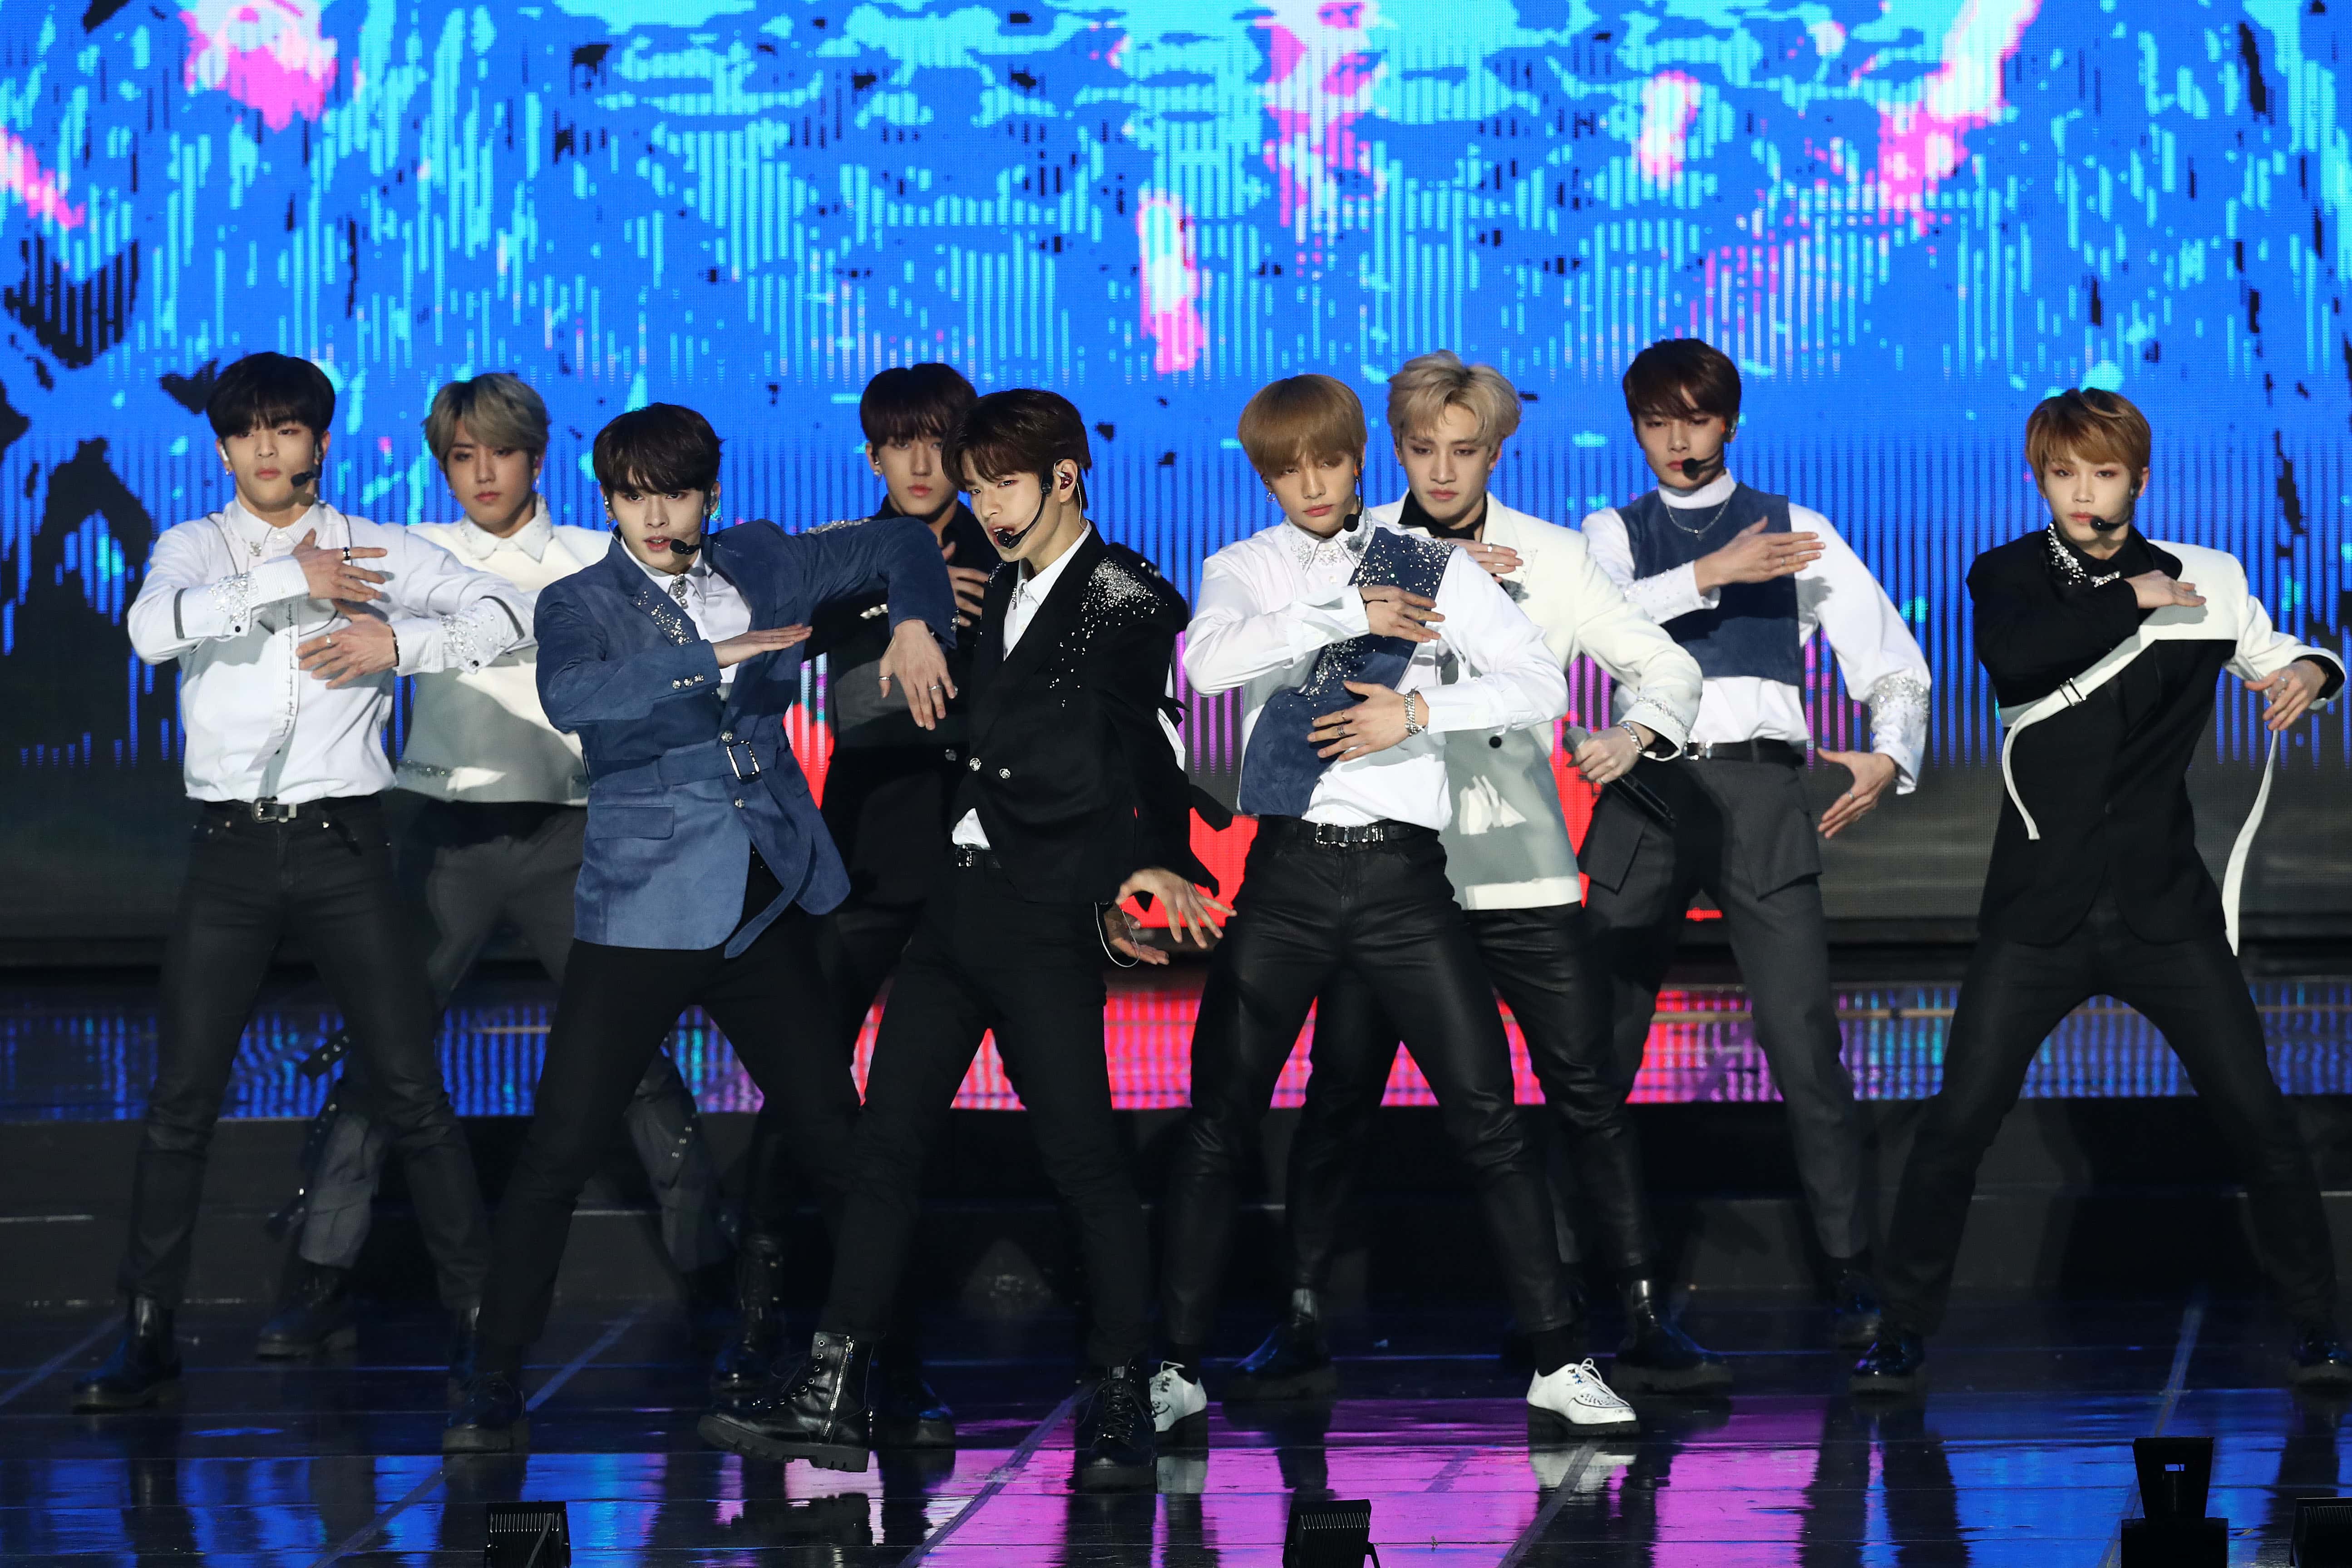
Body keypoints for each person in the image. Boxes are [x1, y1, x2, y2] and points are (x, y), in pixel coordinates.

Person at [698, 389, 1224, 1491]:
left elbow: (1142, 739)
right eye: (976, 486)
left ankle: (1120, 1388)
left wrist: (1152, 856)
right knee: (884, 1149)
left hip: (1039, 916)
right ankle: (836, 1386)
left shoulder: (1121, 594)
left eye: (1002, 484)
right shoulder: (980, 584)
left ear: (1065, 477)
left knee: (1083, 1158)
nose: (983, 505)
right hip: (952, 905)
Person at [440, 403, 957, 1453]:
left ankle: (888, 1368)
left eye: (674, 494)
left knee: (837, 1140)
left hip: (763, 896)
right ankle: (492, 1373)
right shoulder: (581, 599)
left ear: (708, 493)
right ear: (608, 501)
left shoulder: (762, 557)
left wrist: (916, 622)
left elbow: (902, 541)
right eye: (634, 497)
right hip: (642, 907)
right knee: (560, 1146)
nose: (656, 515)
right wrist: (711, 654)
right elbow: (573, 692)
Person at [1150, 372, 1640, 1448]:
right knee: (1219, 1117)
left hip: (1403, 882)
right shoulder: (1244, 567)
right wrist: (1346, 614)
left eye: (1329, 462)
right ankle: (1172, 1366)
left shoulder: (1423, 561)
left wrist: (1417, 708)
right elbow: (1208, 661)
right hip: (1284, 876)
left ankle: (1558, 1358)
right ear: (1264, 476)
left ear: (1358, 458)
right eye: (1288, 470)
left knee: (1488, 1115)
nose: (1312, 485)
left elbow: (1539, 682)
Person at [1228, 351, 1714, 1402]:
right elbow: (1250, 658)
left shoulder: (1553, 556)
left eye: (1463, 450)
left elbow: (1666, 666)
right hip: (1384, 871)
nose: (1441, 471)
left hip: (1517, 867)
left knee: (1584, 1089)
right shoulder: (1348, 546)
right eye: (1420, 449)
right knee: (1339, 1090)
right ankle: (1300, 1312)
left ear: (1497, 451)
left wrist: (1634, 734)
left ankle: (1637, 1310)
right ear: (1393, 450)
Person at [1854, 389, 2352, 1393]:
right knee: (1957, 1123)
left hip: (2162, 905)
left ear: (2139, 479)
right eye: (2063, 474)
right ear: (2039, 479)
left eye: (2104, 473)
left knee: (2258, 1116)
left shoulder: (2209, 577)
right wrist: (2133, 597)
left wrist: (2311, 670)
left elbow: (2281, 655)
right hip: (2038, 908)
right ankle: (1899, 1328)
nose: (2082, 493)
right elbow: (2016, 656)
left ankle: (2316, 1326)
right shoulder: (2006, 574)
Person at [80, 353, 526, 1410]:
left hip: (343, 847)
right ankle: (147, 1331)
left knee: (412, 1089)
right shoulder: (195, 545)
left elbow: (510, 614)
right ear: (224, 448)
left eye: (287, 429)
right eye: (248, 432)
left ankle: (480, 1327)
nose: (268, 448)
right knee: (183, 1098)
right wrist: (292, 580)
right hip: (230, 851)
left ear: (321, 441)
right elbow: (149, 631)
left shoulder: (376, 546)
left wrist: (397, 642)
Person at [256, 373, 730, 1364]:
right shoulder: (411, 552)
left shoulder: (594, 553)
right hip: (446, 834)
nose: (482, 474)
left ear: (536, 458)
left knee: (632, 1051)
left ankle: (709, 1265)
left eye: (500, 453)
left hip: (576, 832)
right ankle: (319, 1272)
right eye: (462, 457)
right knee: (386, 1047)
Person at [1579, 337, 1931, 1347]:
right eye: (1656, 421)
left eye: (1695, 418)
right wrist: (1709, 571)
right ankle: (1580, 1274)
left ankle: (1849, 1267)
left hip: (1762, 790)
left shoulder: (1796, 529)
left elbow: (1892, 661)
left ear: (1728, 421)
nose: (1677, 440)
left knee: (1803, 1040)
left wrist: (1888, 753)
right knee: (1597, 1044)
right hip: (1646, 788)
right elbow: (1591, 624)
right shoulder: (1610, 532)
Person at [715, 365, 992, 1449]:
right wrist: (905, 610)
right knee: (806, 1092)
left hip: (977, 856)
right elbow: (806, 651)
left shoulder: (1007, 545)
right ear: (871, 455)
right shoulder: (843, 554)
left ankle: (896, 1360)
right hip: (863, 855)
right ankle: (756, 1325)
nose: (920, 464)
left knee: (916, 1115)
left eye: (940, 443)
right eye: (898, 445)